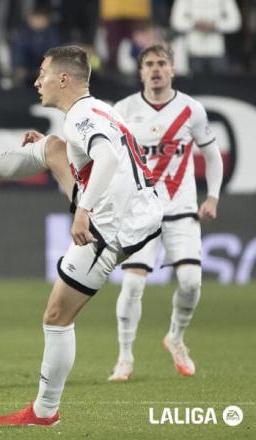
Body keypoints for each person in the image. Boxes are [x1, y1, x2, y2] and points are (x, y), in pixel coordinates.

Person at [0, 45, 163, 426]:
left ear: (63, 79)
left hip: (112, 225)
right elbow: (103, 155)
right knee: (50, 148)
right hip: (137, 207)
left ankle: (45, 411)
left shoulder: (81, 115)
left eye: (42, 73)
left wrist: (84, 211)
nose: (36, 81)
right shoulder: (98, 108)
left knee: (56, 315)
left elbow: (109, 158)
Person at [108, 44, 223, 381]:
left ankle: (175, 336)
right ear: (140, 71)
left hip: (181, 208)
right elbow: (109, 159)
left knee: (190, 282)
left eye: (161, 63)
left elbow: (212, 155)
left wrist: (212, 196)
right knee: (131, 285)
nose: (155, 69)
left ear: (172, 69)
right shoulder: (123, 110)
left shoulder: (191, 110)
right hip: (140, 212)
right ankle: (124, 358)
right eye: (149, 64)